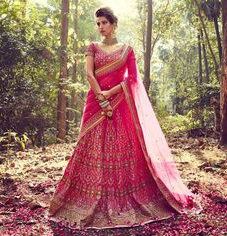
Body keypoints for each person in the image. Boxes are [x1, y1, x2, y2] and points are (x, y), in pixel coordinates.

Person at [48, 7, 197, 229]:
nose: (100, 27)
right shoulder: (92, 48)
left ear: (114, 24)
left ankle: (122, 196)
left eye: (104, 23)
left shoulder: (127, 51)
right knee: (89, 145)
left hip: (120, 104)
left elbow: (133, 80)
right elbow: (89, 74)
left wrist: (109, 95)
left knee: (121, 147)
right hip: (95, 105)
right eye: (97, 23)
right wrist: (101, 98)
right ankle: (83, 198)